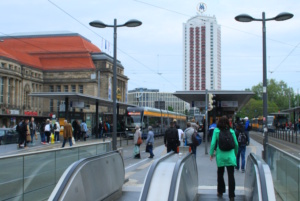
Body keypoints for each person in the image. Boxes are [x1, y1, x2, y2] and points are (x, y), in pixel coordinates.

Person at [209, 116, 238, 201]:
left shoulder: (216, 131)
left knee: (220, 174)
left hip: (220, 156)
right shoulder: (232, 131)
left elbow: (213, 143)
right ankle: (231, 195)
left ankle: (220, 191)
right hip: (230, 156)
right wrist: (235, 153)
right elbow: (236, 144)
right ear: (228, 123)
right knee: (231, 175)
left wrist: (211, 154)